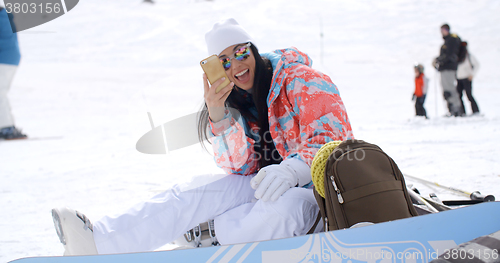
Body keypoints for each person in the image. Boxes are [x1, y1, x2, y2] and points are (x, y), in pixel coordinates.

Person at [51, 18, 353, 255]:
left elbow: (336, 141)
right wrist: (219, 113)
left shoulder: (301, 80)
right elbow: (239, 168)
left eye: (240, 52)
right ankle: (101, 242)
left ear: (253, 49)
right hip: (269, 187)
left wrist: (292, 169)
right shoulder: (238, 101)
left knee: (284, 211)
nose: (235, 65)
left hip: (322, 196)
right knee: (198, 191)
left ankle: (210, 237)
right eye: (223, 61)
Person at [0, 7, 27, 139]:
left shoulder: (2, 18)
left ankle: (6, 128)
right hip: (8, 58)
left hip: (4, 59)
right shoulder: (4, 15)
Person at [432, 23, 463, 117]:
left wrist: (439, 60)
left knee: (450, 89)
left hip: (449, 68)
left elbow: (449, 55)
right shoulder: (447, 42)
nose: (442, 32)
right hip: (445, 68)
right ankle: (451, 109)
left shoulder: (452, 40)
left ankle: (457, 110)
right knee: (446, 90)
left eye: (444, 30)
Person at [456, 41, 480, 116]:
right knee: (459, 95)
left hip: (467, 78)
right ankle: (462, 112)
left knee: (469, 95)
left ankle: (476, 111)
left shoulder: (468, 56)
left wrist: (472, 74)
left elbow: (477, 65)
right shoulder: (457, 57)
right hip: (459, 79)